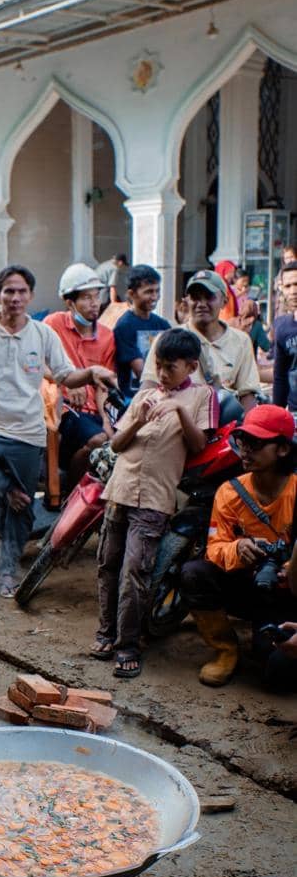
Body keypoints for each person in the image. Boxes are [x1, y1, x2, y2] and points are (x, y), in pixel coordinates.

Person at [0, 265, 116, 599]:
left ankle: (8, 571)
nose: (14, 297)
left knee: (21, 511)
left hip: (28, 434)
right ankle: (9, 489)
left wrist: (92, 373)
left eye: (21, 291)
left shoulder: (42, 335)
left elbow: (65, 375)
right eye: (8, 291)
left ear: (30, 295)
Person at [93, 328, 218, 678]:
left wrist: (179, 410)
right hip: (119, 489)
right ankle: (105, 632)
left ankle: (128, 644)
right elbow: (117, 445)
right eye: (159, 366)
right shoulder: (144, 394)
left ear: (191, 366)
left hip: (156, 496)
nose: (162, 374)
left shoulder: (202, 396)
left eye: (170, 367)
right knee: (107, 563)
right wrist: (139, 420)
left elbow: (197, 446)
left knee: (136, 570)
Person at [180, 405, 297, 690]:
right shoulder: (230, 492)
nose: (245, 450)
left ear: (282, 449)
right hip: (247, 585)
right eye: (243, 442)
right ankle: (225, 650)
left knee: (275, 676)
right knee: (194, 573)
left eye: (255, 443)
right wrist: (239, 548)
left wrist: (288, 568)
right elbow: (214, 547)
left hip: (289, 595)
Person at [141, 270, 261, 424]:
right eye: (195, 298)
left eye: (209, 297)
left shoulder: (241, 341)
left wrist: (248, 430)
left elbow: (247, 394)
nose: (201, 304)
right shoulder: (166, 340)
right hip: (175, 427)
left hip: (221, 428)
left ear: (224, 301)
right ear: (186, 301)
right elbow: (148, 388)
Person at [44, 264, 118, 486]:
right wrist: (67, 378)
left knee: (115, 438)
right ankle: (71, 492)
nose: (94, 303)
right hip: (63, 408)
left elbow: (103, 385)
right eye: (86, 297)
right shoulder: (52, 324)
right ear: (69, 302)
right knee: (98, 440)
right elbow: (36, 362)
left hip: (95, 410)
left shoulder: (107, 336)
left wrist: (106, 420)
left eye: (96, 296)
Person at [113, 264, 170, 396]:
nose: (155, 297)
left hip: (161, 392)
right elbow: (141, 372)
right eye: (149, 292)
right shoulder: (125, 326)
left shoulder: (162, 324)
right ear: (131, 294)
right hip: (134, 396)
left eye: (157, 291)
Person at [271, 261, 297, 414]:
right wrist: (276, 414)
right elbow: (280, 377)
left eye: (296, 284)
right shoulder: (282, 327)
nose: (293, 291)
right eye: (288, 286)